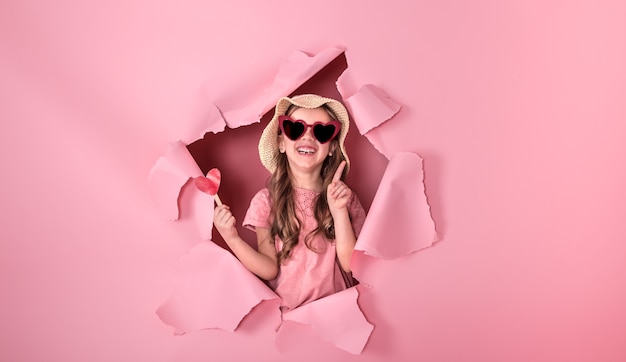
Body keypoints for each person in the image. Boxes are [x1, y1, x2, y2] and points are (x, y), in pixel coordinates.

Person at [213, 94, 366, 312]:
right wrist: (231, 238)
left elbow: (352, 264)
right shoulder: (266, 202)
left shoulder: (345, 198)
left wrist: (339, 211)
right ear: (281, 143)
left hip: (339, 311)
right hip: (291, 318)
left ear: (332, 148)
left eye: (321, 132)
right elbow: (269, 270)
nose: (308, 137)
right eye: (296, 129)